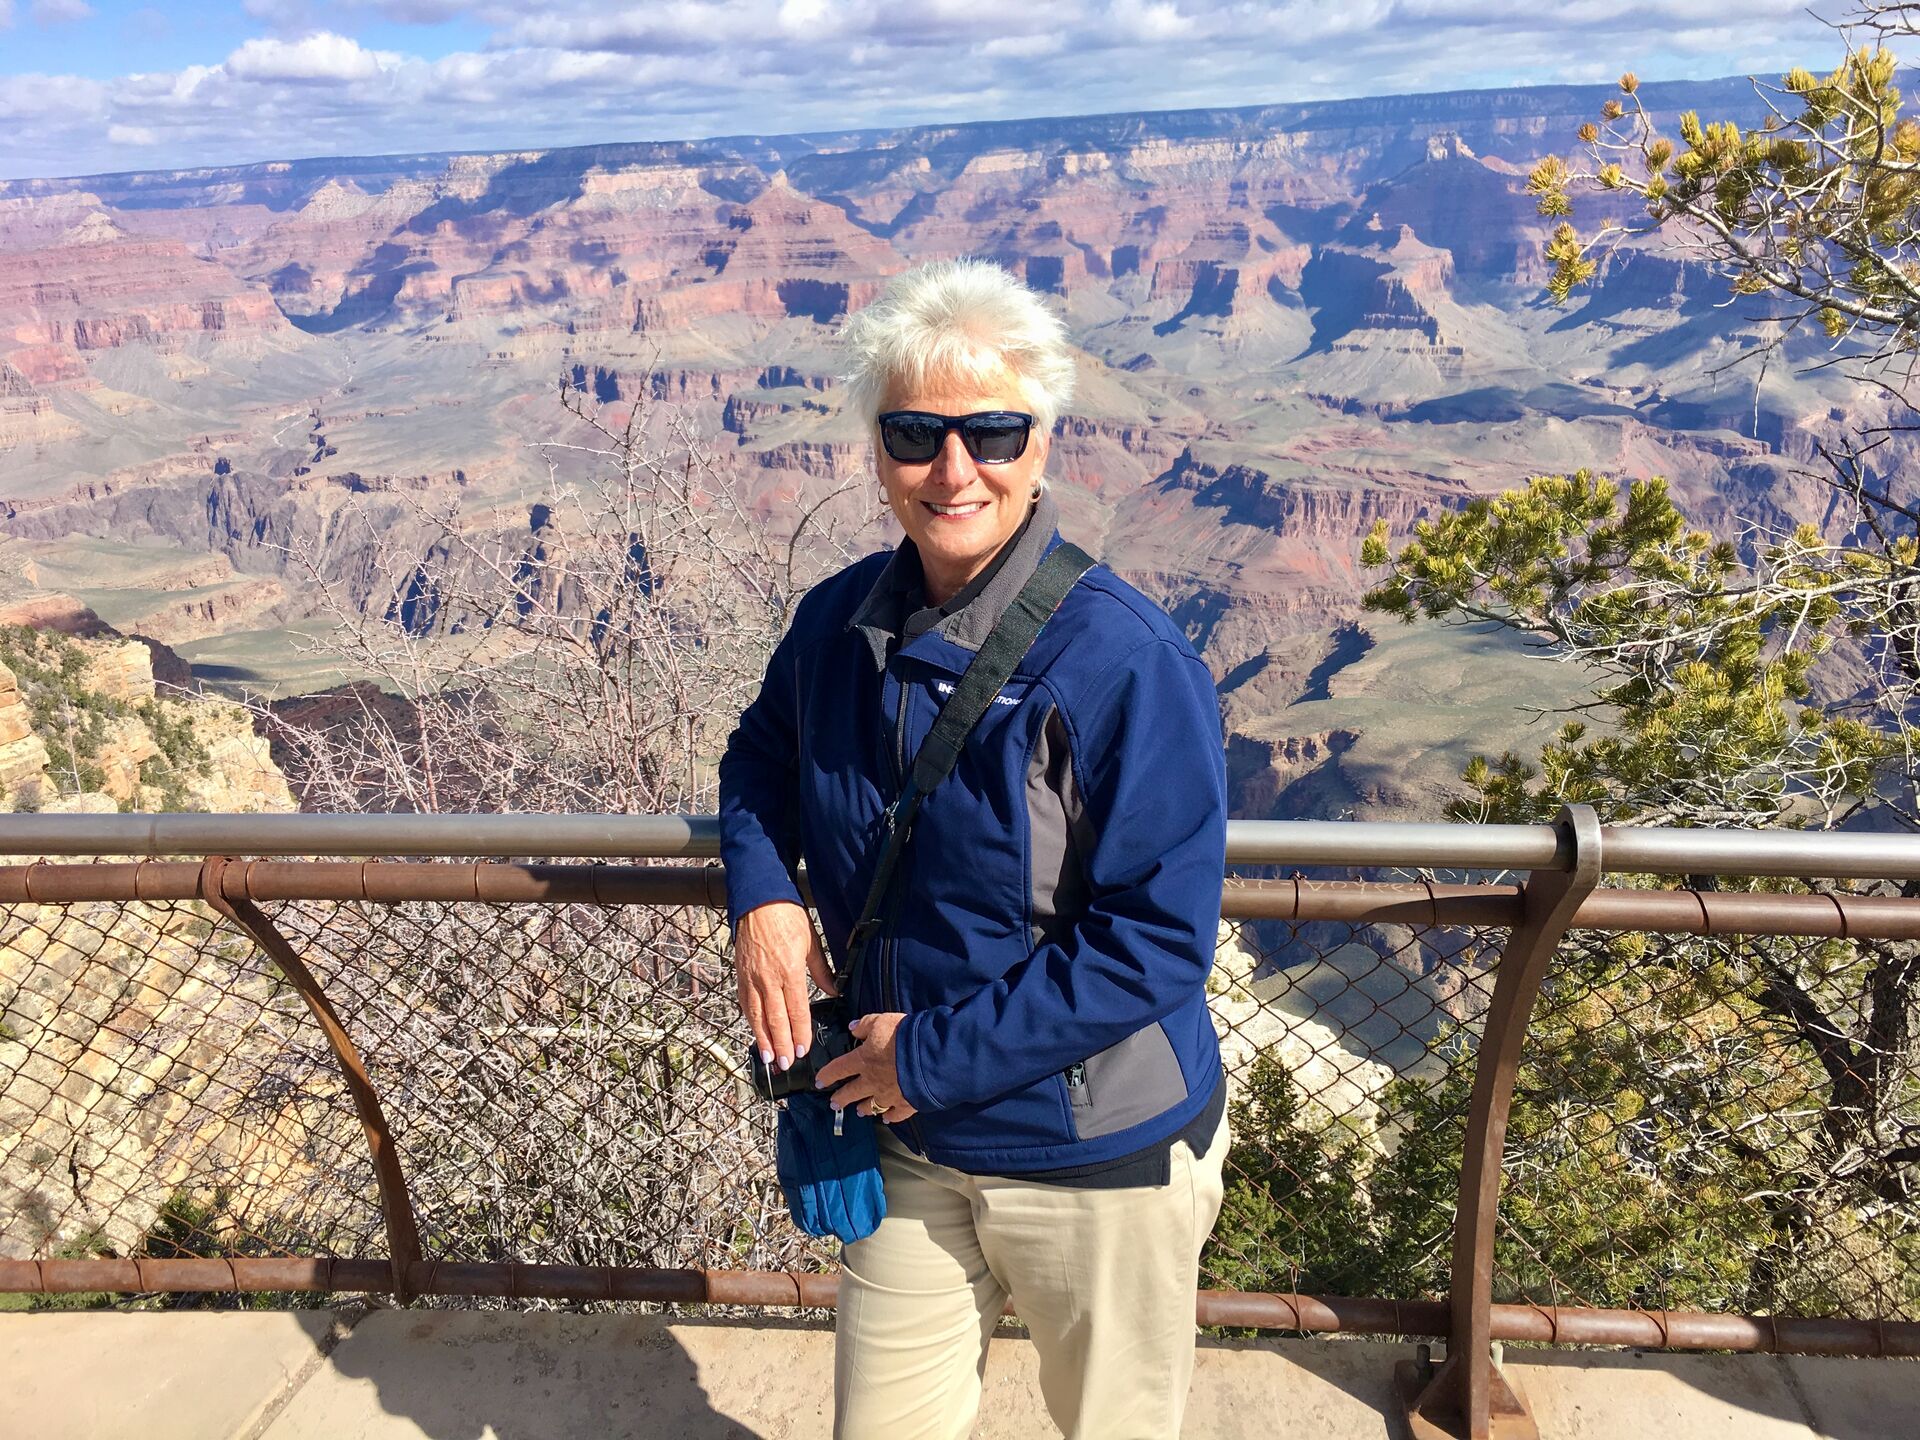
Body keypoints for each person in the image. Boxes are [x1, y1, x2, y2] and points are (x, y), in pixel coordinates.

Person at [718, 258, 1229, 1440]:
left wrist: (931, 1059)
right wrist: (764, 897)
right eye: (916, 433)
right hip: (903, 1135)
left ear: (1042, 440)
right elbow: (758, 760)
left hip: (1092, 1151)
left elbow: (1157, 945)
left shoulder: (1126, 663)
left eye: (993, 431)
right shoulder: (837, 623)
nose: (955, 470)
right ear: (876, 449)